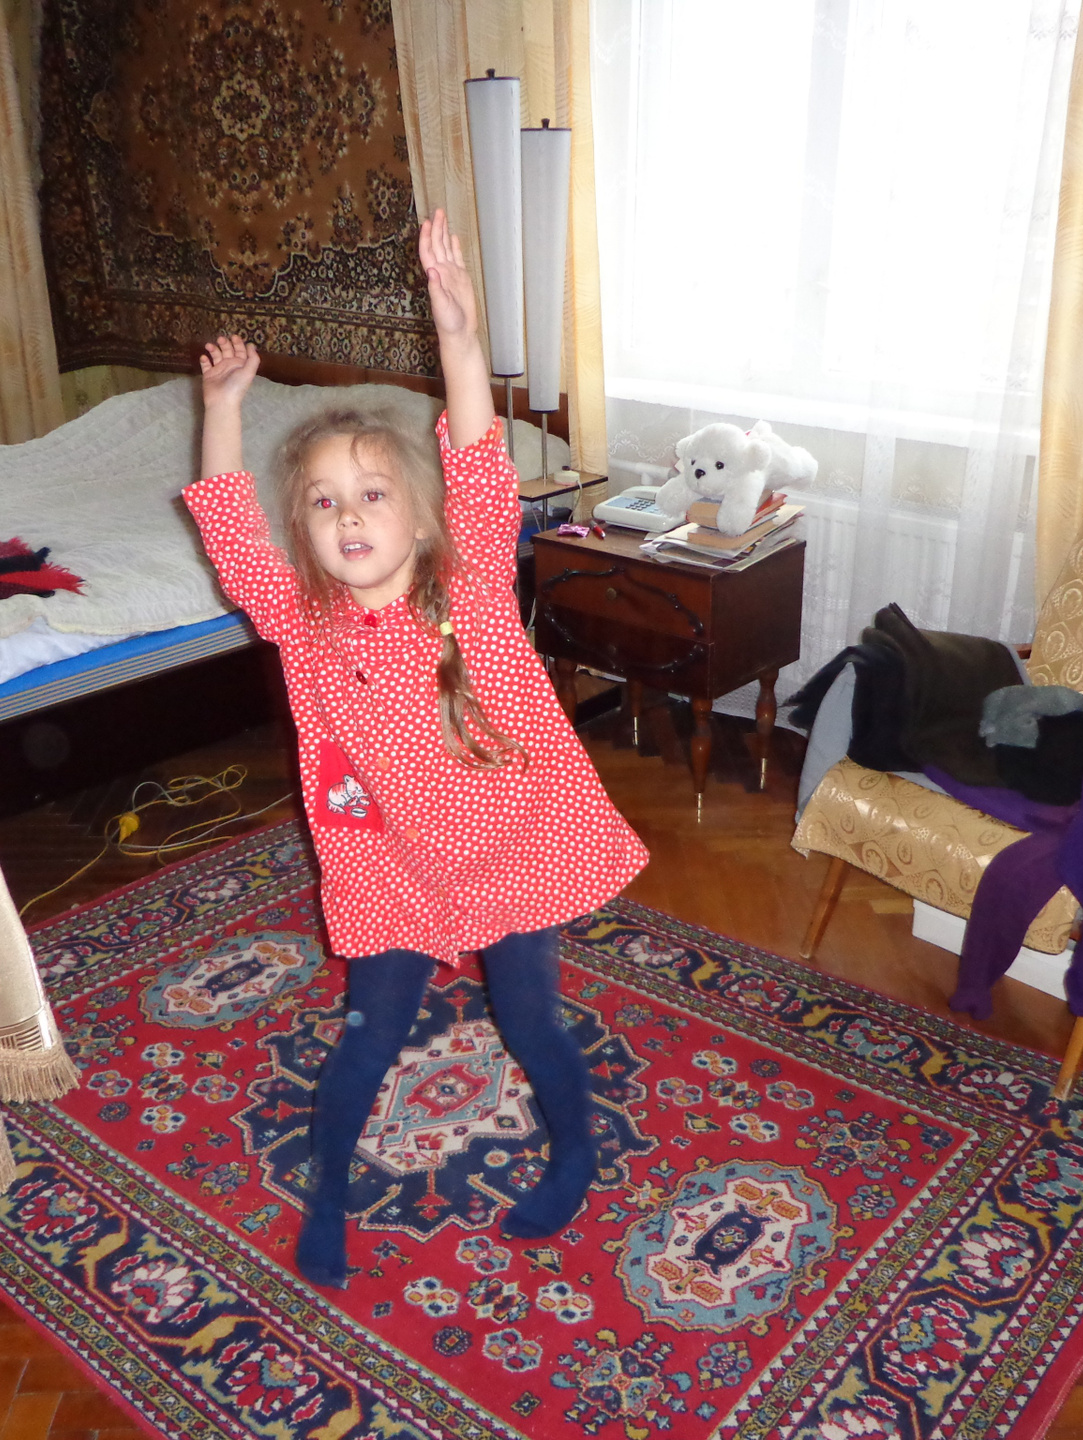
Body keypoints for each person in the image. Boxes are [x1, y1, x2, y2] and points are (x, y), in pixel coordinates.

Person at [182, 210, 649, 1289]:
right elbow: (227, 528)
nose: (348, 517)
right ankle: (328, 1192)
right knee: (368, 1034)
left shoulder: (471, 583)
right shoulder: (301, 623)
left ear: (422, 521)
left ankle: (574, 1150)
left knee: (530, 1021)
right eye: (324, 503)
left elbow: (478, 457)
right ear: (304, 532)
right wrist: (223, 409)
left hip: (511, 851)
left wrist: (459, 333)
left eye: (372, 495)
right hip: (387, 862)